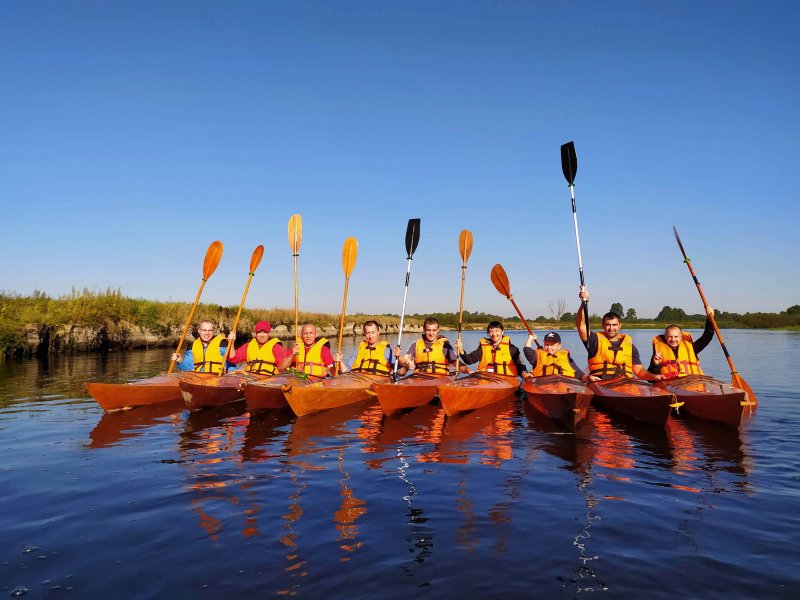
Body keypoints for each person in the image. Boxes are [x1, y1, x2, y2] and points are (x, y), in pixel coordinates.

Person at [575, 287, 663, 381]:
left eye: (614, 325)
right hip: (601, 383)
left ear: (620, 325)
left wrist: (654, 377)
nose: (611, 328)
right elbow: (581, 325)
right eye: (608, 325)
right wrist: (584, 302)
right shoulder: (594, 341)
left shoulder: (630, 346)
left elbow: (639, 370)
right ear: (603, 325)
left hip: (626, 384)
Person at [648, 306, 716, 379]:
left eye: (676, 336)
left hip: (692, 382)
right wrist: (655, 364)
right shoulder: (659, 352)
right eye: (669, 337)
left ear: (681, 336)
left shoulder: (692, 348)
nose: (673, 339)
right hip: (670, 385)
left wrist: (710, 320)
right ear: (665, 337)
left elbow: (707, 336)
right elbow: (651, 379)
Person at [455, 321, 529, 379]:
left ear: (502, 332)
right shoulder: (483, 348)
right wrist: (461, 350)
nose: (494, 334)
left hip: (507, 380)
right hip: (487, 379)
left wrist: (524, 373)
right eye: (491, 331)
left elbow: (520, 365)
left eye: (497, 331)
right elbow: (469, 360)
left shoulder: (512, 349)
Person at [394, 317, 467, 376]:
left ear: (438, 330)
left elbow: (457, 364)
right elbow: (403, 361)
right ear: (424, 330)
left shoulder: (445, 346)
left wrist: (468, 370)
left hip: (440, 378)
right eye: (428, 330)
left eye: (434, 330)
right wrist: (399, 355)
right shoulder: (415, 344)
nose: (431, 333)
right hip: (419, 378)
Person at [225, 320, 290, 376]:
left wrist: (292, 355)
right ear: (255, 333)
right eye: (259, 332)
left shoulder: (276, 347)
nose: (262, 335)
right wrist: (232, 343)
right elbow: (233, 358)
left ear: (269, 333)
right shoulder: (248, 346)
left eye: (265, 332)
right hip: (250, 378)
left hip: (269, 379)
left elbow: (283, 368)